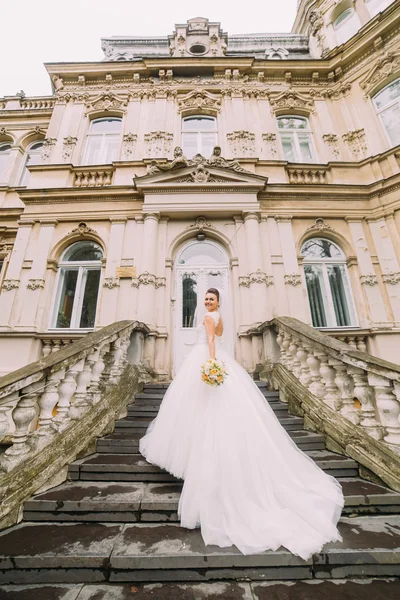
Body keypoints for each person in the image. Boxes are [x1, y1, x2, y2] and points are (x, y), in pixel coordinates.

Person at [139, 288, 344, 559]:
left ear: (218, 301)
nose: (208, 302)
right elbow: (219, 336)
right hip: (218, 359)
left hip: (208, 358)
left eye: (211, 299)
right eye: (206, 299)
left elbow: (212, 341)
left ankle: (200, 460)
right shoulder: (218, 316)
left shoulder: (210, 318)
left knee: (199, 408)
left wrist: (211, 364)